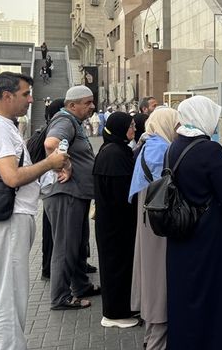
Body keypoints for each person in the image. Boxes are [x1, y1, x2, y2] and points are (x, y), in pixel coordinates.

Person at [0, 72, 69, 349]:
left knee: (3, 292)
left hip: (10, 216)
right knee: (11, 295)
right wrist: (50, 163)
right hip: (9, 218)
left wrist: (50, 172)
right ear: (7, 96)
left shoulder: (3, 126)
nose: (31, 100)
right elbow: (12, 177)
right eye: (25, 94)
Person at [165, 96, 222, 349]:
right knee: (213, 297)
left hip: (180, 233)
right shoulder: (209, 150)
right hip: (210, 235)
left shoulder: (174, 146)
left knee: (184, 296)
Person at [43, 85, 99, 310]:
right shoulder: (65, 121)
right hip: (66, 194)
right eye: (87, 102)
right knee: (66, 247)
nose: (92, 106)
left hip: (75, 194)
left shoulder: (73, 122)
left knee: (76, 244)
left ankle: (81, 285)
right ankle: (60, 297)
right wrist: (65, 166)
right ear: (72, 105)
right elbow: (51, 143)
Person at [130, 107, 179, 349]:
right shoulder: (162, 150)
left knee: (150, 276)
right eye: (176, 124)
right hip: (158, 223)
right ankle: (157, 340)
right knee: (158, 278)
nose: (178, 130)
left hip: (146, 218)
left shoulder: (147, 145)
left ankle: (151, 335)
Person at [93, 111, 138, 328]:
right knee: (116, 267)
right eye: (130, 126)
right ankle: (115, 314)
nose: (134, 129)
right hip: (115, 224)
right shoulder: (114, 155)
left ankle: (120, 309)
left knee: (118, 266)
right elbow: (122, 193)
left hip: (113, 222)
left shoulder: (114, 149)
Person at [41, 98, 66, 280]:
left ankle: (48, 267)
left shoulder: (48, 129)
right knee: (55, 234)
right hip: (55, 187)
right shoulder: (55, 133)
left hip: (50, 189)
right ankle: (49, 269)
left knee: (52, 231)